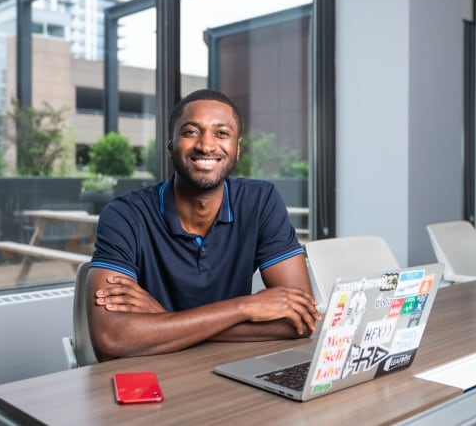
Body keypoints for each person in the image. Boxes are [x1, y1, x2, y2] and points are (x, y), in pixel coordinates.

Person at [87, 89, 320, 361]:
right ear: (170, 144)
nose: (206, 146)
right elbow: (111, 339)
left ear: (238, 147)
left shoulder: (261, 201)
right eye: (190, 132)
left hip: (229, 372)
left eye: (221, 133)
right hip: (153, 374)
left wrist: (165, 319)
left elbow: (301, 321)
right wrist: (245, 307)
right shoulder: (124, 215)